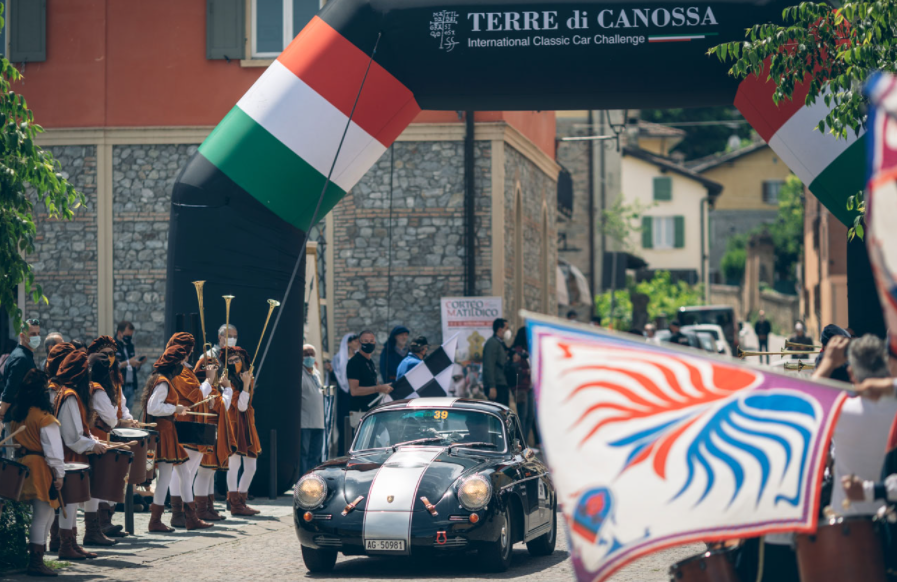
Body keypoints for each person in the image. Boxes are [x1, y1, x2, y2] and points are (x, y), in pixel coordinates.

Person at [815, 335, 897, 517]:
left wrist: (827, 363)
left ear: (851, 373)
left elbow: (808, 404)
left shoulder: (843, 410)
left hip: (848, 529)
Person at [141, 343, 209, 532]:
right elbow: (153, 408)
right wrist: (175, 408)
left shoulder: (162, 380)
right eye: (180, 362)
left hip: (168, 430)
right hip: (164, 432)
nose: (182, 366)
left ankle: (189, 516)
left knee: (183, 473)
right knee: (166, 477)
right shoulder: (163, 382)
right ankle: (157, 520)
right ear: (174, 363)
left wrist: (175, 409)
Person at [8, 370, 65, 577]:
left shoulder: (18, 415)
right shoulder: (44, 419)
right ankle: (36, 562)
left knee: (45, 514)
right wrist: (59, 475)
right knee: (42, 516)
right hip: (40, 467)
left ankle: (37, 558)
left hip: (22, 466)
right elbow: (54, 452)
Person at [53, 351, 106, 559]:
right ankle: (66, 547)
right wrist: (92, 446)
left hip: (73, 455)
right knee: (70, 503)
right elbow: (72, 438)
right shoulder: (70, 396)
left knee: (72, 506)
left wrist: (94, 441)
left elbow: (80, 430)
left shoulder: (68, 394)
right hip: (71, 457)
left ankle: (72, 543)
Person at [86, 336, 136, 540]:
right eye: (105, 355)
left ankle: (106, 520)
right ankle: (99, 523)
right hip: (99, 432)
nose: (109, 359)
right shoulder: (95, 384)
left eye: (112, 355)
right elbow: (110, 414)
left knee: (112, 478)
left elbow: (121, 406)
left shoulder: (116, 378)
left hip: (112, 430)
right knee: (102, 478)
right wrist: (119, 421)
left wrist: (128, 420)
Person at [192, 352, 233, 522]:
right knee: (204, 471)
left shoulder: (212, 387)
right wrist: (228, 389)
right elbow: (223, 405)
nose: (215, 370)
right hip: (205, 430)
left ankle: (209, 506)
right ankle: (201, 509)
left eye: (216, 367)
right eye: (212, 367)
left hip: (213, 429)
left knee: (210, 472)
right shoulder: (202, 385)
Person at [223, 346, 262, 516]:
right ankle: (235, 504)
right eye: (230, 361)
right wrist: (246, 385)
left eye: (236, 359)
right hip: (233, 423)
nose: (234, 363)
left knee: (251, 466)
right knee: (234, 465)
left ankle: (241, 500)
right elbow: (240, 406)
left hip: (247, 423)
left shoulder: (247, 377)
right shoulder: (228, 381)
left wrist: (247, 382)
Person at [347, 331, 393, 425]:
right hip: (360, 413)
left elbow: (375, 384)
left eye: (371, 341)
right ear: (360, 343)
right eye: (365, 341)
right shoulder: (354, 362)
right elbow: (354, 391)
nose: (369, 344)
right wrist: (378, 388)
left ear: (375, 343)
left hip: (372, 411)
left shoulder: (370, 362)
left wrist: (384, 388)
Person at [0, 318, 41, 425]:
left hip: (20, 417)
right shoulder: (21, 358)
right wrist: (2, 412)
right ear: (22, 335)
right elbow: (11, 389)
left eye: (38, 333)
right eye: (33, 334)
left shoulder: (24, 355)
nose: (36, 337)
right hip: (17, 419)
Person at [331, 333, 359, 455]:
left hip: (356, 395)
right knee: (343, 425)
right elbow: (335, 376)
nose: (357, 343)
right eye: (354, 341)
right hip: (343, 395)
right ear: (348, 343)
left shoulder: (358, 358)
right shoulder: (338, 358)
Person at [301, 344, 325, 476]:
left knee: (315, 455)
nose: (309, 356)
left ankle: (312, 480)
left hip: (318, 421)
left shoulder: (317, 374)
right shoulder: (299, 373)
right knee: (304, 454)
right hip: (304, 422)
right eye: (306, 354)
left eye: (311, 354)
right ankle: (302, 480)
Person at [510, 328, 534, 446]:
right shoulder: (517, 351)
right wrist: (527, 371)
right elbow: (515, 369)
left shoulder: (527, 351)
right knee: (522, 416)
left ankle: (526, 443)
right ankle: (523, 444)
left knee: (530, 415)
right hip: (521, 386)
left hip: (529, 386)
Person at [114, 321, 144, 405]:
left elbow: (132, 366)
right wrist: (128, 362)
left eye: (130, 336)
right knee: (119, 413)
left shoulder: (130, 346)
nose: (129, 338)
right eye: (127, 335)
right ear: (119, 333)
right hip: (119, 386)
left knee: (128, 413)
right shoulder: (113, 346)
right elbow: (114, 367)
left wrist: (139, 364)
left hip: (131, 386)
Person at [483, 318, 511, 406]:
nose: (508, 331)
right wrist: (492, 386)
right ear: (500, 329)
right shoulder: (492, 343)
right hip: (497, 385)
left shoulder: (500, 343)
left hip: (502, 384)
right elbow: (489, 365)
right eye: (506, 328)